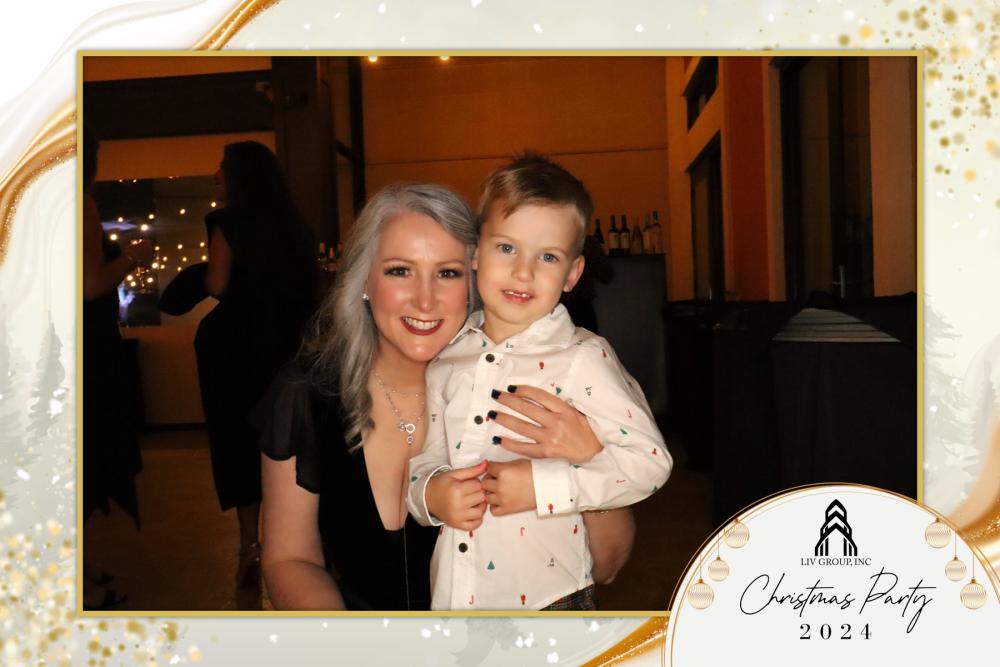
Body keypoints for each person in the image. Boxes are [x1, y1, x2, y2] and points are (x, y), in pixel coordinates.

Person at [259, 183, 634, 610]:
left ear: (475, 278)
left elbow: (607, 566)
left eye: (448, 273)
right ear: (364, 279)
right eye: (400, 271)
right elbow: (289, 559)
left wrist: (591, 461)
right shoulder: (307, 394)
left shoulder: (542, 386)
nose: (425, 300)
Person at [407, 154, 671, 611]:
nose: (523, 271)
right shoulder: (446, 360)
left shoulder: (583, 358)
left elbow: (649, 463)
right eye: (506, 248)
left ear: (572, 274)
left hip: (551, 602)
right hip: (456, 597)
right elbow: (423, 460)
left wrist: (544, 488)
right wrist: (431, 493)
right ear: (475, 253)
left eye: (547, 256)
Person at [195, 141, 318, 590]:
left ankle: (250, 545)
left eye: (222, 167)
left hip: (234, 351)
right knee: (289, 440)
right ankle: (299, 539)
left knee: (236, 445)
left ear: (239, 176)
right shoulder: (296, 227)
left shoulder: (227, 223)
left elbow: (216, 284)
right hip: (285, 350)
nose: (216, 175)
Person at [81, 128, 155, 608]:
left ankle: (75, 567)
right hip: (85, 349)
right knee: (89, 458)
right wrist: (133, 257)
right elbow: (91, 285)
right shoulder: (78, 203)